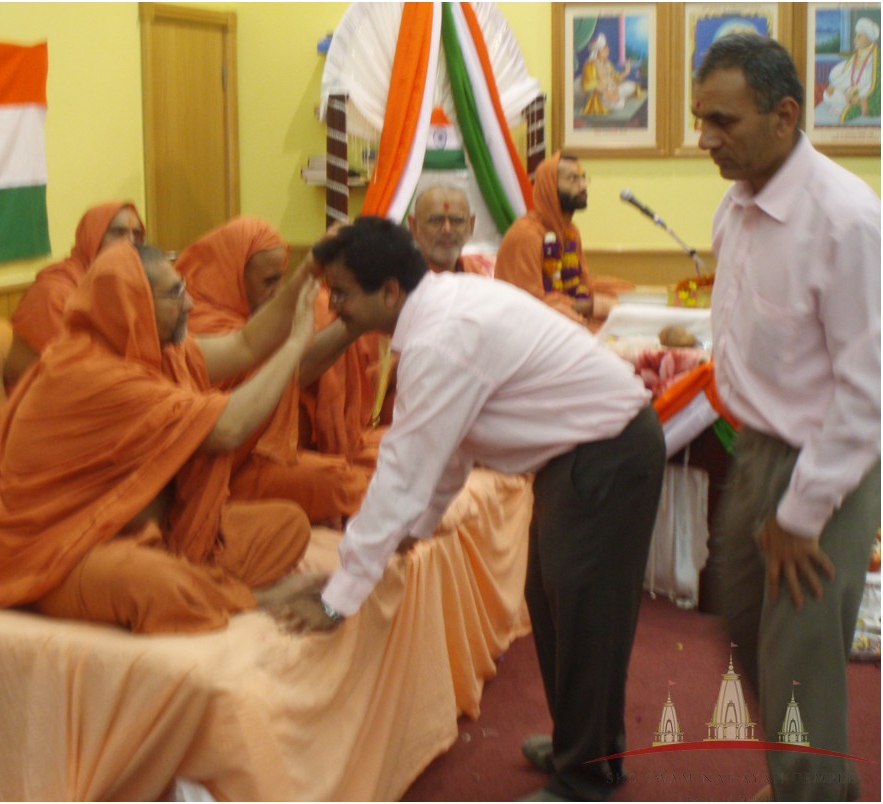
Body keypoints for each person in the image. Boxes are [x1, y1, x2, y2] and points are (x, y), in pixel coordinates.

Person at [273, 217, 666, 802]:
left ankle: (585, 777)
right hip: (585, 455)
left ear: (387, 292)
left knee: (585, 614)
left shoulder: (439, 337)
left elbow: (405, 471)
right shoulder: (437, 313)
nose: (335, 308)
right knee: (557, 602)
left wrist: (340, 596)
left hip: (606, 453)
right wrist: (413, 532)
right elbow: (451, 452)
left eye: (343, 293)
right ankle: (583, 748)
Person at [693, 33, 880, 801]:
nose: (705, 139)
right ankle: (800, 781)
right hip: (755, 455)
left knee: (798, 658)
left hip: (822, 467)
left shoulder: (845, 220)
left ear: (784, 114)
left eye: (722, 121)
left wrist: (800, 512)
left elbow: (868, 393)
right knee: (744, 633)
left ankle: (811, 791)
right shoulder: (732, 206)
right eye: (700, 119)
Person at [0, 240, 324, 634]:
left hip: (151, 530)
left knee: (288, 527)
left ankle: (200, 580)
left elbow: (244, 345)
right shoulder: (94, 372)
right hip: (61, 553)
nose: (190, 305)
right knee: (158, 587)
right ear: (134, 302)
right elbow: (229, 428)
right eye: (175, 294)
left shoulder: (148, 351)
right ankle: (249, 599)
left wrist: (309, 271)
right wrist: (297, 344)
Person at [174, 216, 370, 524]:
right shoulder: (197, 324)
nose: (277, 291)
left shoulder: (249, 322)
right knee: (335, 482)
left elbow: (255, 347)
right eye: (269, 282)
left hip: (261, 456)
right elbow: (279, 370)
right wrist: (358, 318)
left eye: (281, 279)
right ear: (233, 274)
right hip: (221, 473)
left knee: (385, 458)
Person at [3, 201, 145, 387]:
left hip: (103, 386)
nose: (130, 244)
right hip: (50, 396)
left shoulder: (122, 284)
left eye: (137, 234)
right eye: (118, 233)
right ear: (92, 237)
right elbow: (71, 369)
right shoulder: (54, 291)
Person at [495, 153, 624, 329]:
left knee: (622, 299)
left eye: (584, 178)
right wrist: (592, 306)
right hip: (527, 326)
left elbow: (581, 282)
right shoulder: (526, 235)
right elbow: (530, 303)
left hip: (563, 314)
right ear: (550, 187)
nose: (583, 185)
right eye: (572, 179)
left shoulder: (570, 231)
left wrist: (598, 302)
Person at [407, 183, 494, 276]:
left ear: (471, 225)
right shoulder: (400, 281)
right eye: (436, 220)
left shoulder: (486, 273)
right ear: (414, 226)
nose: (447, 229)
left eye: (456, 220)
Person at [818, 16, 880, 124]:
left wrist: (860, 98)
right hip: (850, 93)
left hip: (864, 96)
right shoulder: (857, 56)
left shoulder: (878, 58)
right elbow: (846, 75)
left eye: (859, 36)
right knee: (827, 95)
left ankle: (851, 103)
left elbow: (875, 87)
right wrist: (837, 87)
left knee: (837, 98)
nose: (855, 39)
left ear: (869, 38)